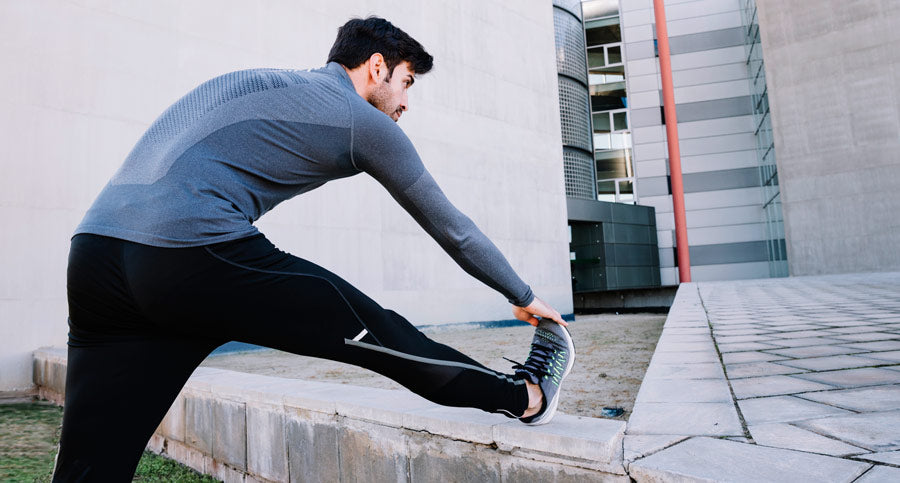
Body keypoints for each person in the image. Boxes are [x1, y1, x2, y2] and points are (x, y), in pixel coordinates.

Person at [53, 16, 574, 481]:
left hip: (95, 255)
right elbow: (452, 228)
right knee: (381, 333)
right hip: (191, 254)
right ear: (376, 67)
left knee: (90, 463)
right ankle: (527, 398)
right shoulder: (360, 120)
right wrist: (521, 292)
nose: (406, 103)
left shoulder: (262, 80)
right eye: (407, 83)